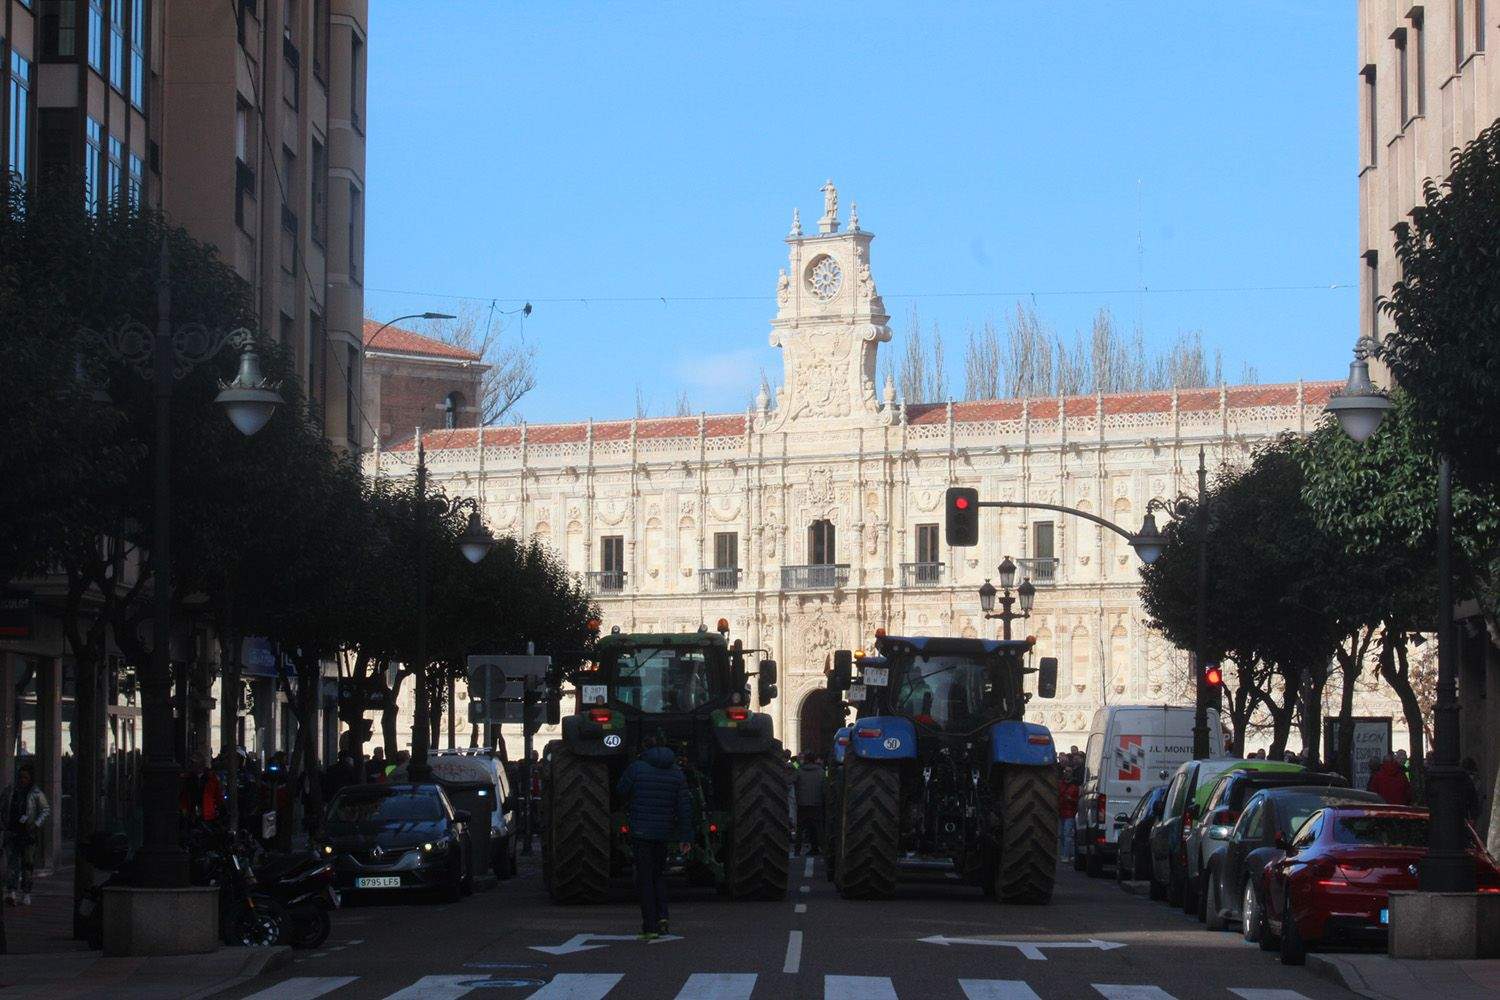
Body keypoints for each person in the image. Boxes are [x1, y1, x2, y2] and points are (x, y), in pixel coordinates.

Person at [615, 737, 692, 940]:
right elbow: (684, 807)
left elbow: (621, 791)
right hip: (663, 832)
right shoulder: (676, 772)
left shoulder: (637, 768)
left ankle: (649, 925)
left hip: (641, 832)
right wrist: (685, 836)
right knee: (658, 876)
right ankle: (663, 919)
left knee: (645, 878)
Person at [2, 763, 51, 906]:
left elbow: (45, 809)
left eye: (26, 777)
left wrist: (36, 823)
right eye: (21, 777)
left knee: (27, 865)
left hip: (28, 833)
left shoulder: (36, 793)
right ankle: (11, 891)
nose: (23, 780)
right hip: (12, 832)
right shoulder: (10, 791)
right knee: (12, 864)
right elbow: (3, 807)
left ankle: (26, 892)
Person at [795, 752, 824, 855]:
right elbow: (823, 786)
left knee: (800, 828)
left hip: (802, 804)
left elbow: (794, 782)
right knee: (818, 828)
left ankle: (797, 851)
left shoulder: (799, 771)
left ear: (806, 759)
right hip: (816, 803)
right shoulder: (821, 771)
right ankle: (820, 849)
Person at [1058, 764, 1079, 860]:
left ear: (1072, 773)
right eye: (1065, 771)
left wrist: (1071, 799)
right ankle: (1066, 853)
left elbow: (1078, 801)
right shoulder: (1060, 784)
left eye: (1069, 771)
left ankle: (1066, 855)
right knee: (1062, 835)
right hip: (1061, 812)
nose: (1066, 773)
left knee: (1067, 834)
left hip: (1070, 813)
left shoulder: (1075, 786)